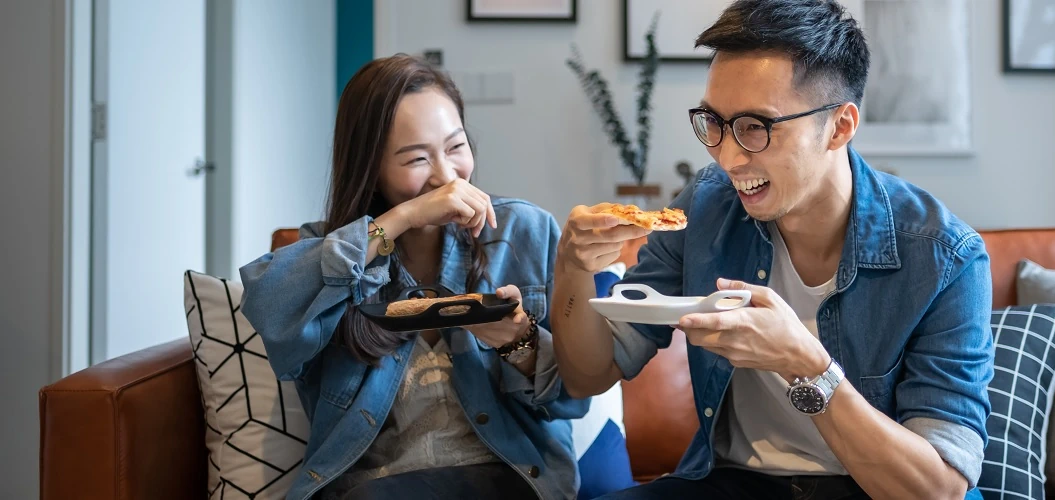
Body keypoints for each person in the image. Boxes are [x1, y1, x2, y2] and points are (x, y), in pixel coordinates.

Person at [550, 1, 994, 499]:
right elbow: (588, 376)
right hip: (733, 483)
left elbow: (938, 490)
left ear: (840, 126)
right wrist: (572, 264)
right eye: (714, 122)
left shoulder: (946, 257)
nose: (728, 156)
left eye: (756, 127)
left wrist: (807, 366)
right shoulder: (705, 209)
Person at [240, 54, 587, 500]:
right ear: (371, 166)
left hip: (507, 476)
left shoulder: (525, 231)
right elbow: (268, 305)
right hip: (371, 486)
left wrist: (516, 341)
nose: (446, 177)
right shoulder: (333, 252)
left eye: (456, 147)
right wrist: (402, 218)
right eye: (417, 158)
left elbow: (572, 399)